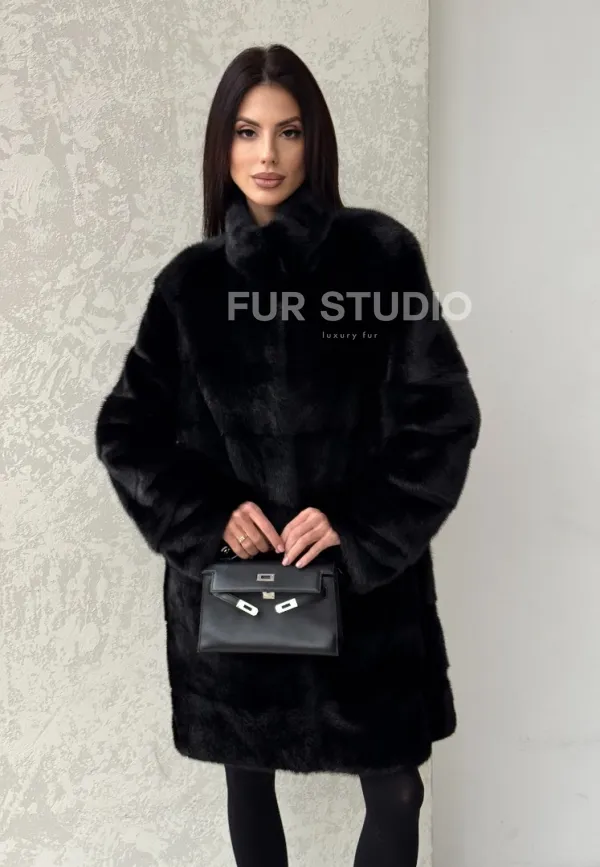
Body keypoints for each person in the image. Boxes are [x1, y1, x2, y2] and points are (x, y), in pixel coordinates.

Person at [95, 43, 481, 867]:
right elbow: (127, 430)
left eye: (288, 131)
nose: (266, 154)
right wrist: (209, 516)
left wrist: (354, 522)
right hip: (237, 591)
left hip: (364, 596)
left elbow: (441, 417)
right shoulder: (189, 286)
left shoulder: (380, 257)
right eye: (246, 132)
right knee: (248, 781)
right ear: (222, 145)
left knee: (397, 789)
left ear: (315, 142)